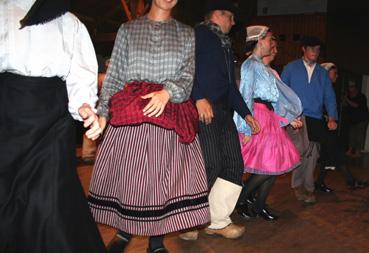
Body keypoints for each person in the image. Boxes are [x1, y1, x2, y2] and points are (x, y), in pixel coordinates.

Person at [87, 1, 210, 252]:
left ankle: (156, 240)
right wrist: (103, 112)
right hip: (131, 109)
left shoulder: (186, 33)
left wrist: (167, 93)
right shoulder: (128, 29)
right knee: (130, 178)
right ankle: (124, 231)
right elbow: (115, 77)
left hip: (169, 110)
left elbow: (188, 76)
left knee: (162, 179)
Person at [0, 0, 107, 252]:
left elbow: (81, 73)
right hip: (5, 116)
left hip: (53, 121)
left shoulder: (69, 22)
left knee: (50, 203)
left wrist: (85, 106)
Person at [179, 0, 260, 241]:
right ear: (218, 14)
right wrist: (198, 97)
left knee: (234, 165)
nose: (233, 23)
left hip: (224, 113)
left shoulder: (224, 44)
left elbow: (229, 87)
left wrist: (246, 113)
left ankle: (217, 221)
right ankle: (187, 221)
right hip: (204, 110)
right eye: (230, 18)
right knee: (210, 164)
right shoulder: (198, 35)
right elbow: (184, 69)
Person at [235, 26, 302, 221]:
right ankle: (241, 198)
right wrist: (246, 127)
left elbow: (273, 100)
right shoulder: (250, 65)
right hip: (259, 117)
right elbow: (245, 94)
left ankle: (258, 205)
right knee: (269, 166)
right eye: (269, 39)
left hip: (268, 117)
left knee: (273, 166)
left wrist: (287, 118)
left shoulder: (263, 67)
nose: (272, 43)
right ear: (259, 40)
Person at [282, 36, 338, 204]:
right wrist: (286, 115)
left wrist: (332, 117)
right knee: (300, 152)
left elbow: (329, 96)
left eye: (318, 49)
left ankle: (308, 187)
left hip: (315, 118)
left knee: (312, 155)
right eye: (312, 48)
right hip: (297, 118)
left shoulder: (322, 73)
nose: (315, 51)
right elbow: (281, 92)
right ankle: (298, 185)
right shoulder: (291, 68)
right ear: (303, 49)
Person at [315, 63, 368, 191]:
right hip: (325, 127)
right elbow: (316, 105)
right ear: (327, 74)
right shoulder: (320, 88)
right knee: (337, 155)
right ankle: (351, 181)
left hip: (329, 128)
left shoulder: (328, 88)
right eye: (335, 73)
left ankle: (320, 182)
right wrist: (324, 116)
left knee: (329, 157)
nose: (337, 76)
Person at [344, 82, 369, 157]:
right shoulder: (348, 96)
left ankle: (358, 152)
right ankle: (350, 150)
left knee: (359, 135)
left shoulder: (361, 96)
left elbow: (356, 105)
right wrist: (345, 100)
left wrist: (347, 99)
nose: (350, 88)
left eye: (352, 87)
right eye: (349, 87)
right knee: (352, 135)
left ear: (355, 88)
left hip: (362, 119)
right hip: (353, 119)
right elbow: (347, 105)